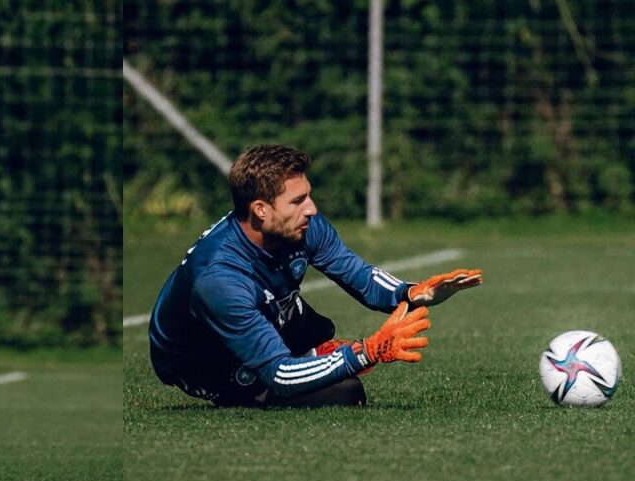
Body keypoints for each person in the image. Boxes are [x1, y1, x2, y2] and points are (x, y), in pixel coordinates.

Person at [148, 144, 482, 408]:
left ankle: (310, 354)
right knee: (345, 392)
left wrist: (412, 294)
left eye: (308, 195)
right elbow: (281, 376)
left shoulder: (300, 227)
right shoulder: (218, 280)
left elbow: (360, 276)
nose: (312, 208)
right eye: (298, 200)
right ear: (260, 210)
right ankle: (292, 364)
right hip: (199, 359)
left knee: (316, 329)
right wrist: (366, 352)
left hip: (263, 305)